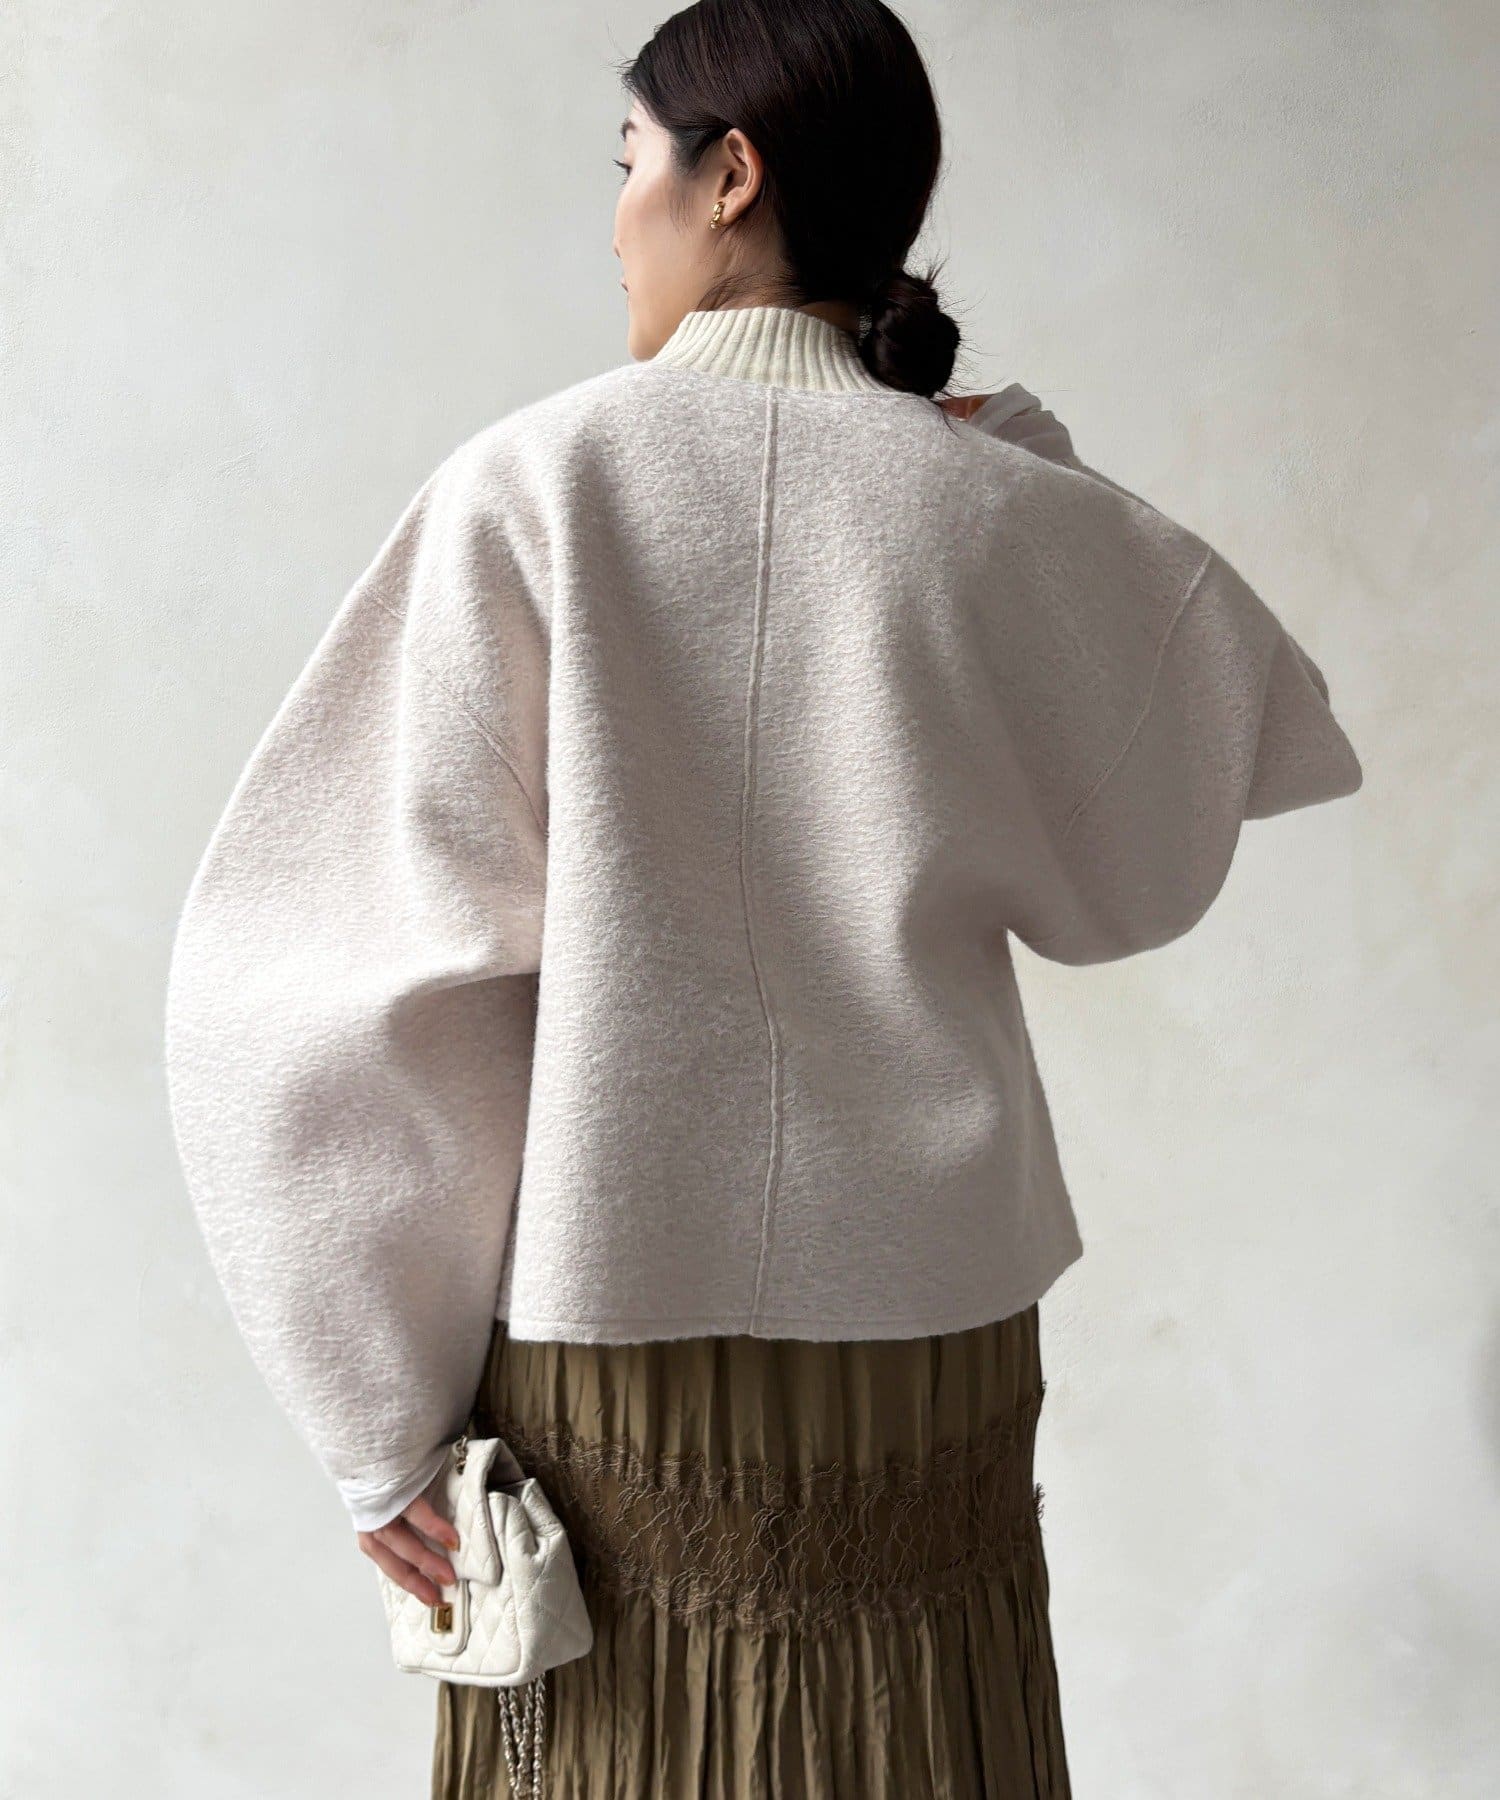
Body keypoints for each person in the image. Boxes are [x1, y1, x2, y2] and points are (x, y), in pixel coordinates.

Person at [162, 2, 1364, 1795]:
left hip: (618, 1332)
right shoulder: (977, 503)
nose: (614, 218)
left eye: (629, 163)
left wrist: (373, 1421)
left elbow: (313, 975)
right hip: (930, 1340)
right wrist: (1008, 456)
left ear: (731, 177)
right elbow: (1209, 763)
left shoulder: (535, 486)